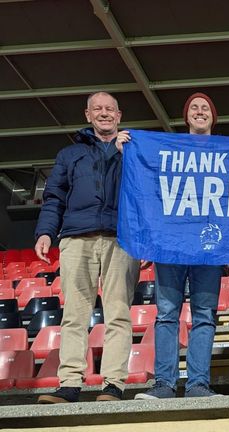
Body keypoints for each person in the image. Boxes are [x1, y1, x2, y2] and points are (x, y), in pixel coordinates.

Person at [35, 92, 140, 403]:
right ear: (88, 114)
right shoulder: (70, 154)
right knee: (74, 315)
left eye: (109, 109)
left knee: (118, 314)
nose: (104, 113)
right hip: (76, 238)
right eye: (98, 109)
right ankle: (69, 383)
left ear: (119, 115)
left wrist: (125, 154)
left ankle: (114, 384)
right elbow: (54, 196)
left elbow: (147, 195)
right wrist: (45, 232)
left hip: (120, 239)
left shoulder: (133, 151)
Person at [134, 93, 223, 399]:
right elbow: (149, 191)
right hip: (170, 243)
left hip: (208, 247)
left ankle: (198, 384)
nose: (200, 112)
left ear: (213, 117)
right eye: (194, 108)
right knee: (167, 314)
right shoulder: (167, 151)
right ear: (186, 117)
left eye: (205, 109)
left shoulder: (228, 153)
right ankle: (165, 384)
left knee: (204, 315)